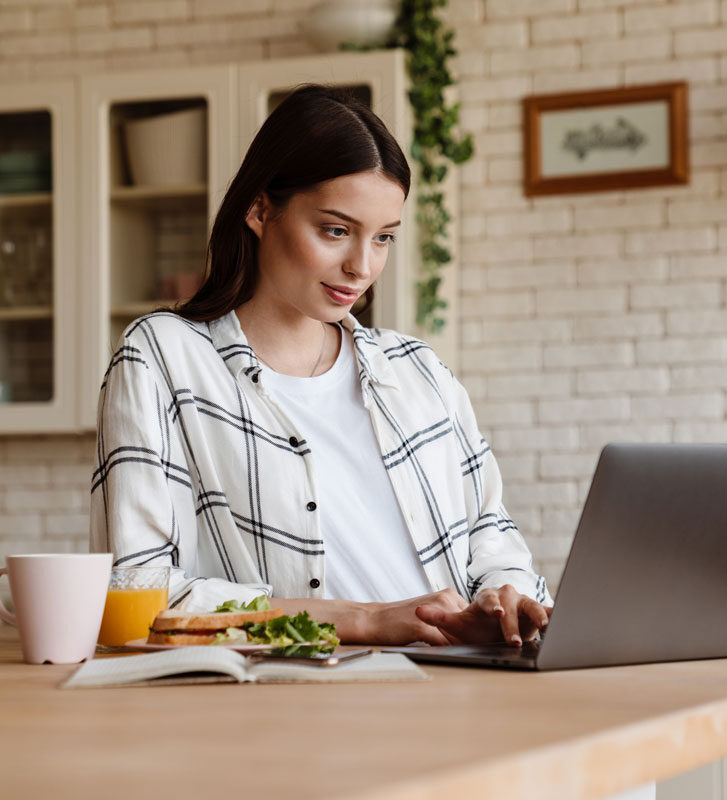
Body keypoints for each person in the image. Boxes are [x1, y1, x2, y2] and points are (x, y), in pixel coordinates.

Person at [90, 84, 553, 646]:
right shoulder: (164, 358)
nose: (361, 266)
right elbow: (136, 588)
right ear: (260, 209)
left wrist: (504, 595)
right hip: (295, 699)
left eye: (383, 238)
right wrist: (362, 620)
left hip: (459, 685)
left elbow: (493, 538)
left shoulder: (419, 371)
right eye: (336, 230)